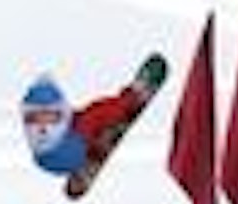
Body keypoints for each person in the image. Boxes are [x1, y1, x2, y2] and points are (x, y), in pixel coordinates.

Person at [20, 54, 167, 178]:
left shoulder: (33, 106)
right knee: (97, 113)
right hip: (67, 153)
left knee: (85, 117)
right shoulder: (50, 100)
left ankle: (108, 122)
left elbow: (61, 121)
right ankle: (134, 96)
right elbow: (69, 118)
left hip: (43, 160)